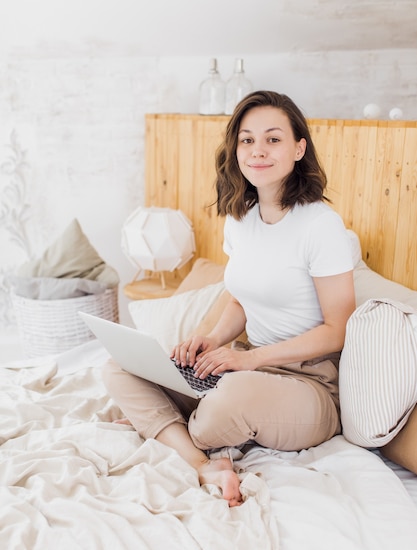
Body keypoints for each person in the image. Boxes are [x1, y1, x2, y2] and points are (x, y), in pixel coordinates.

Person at [103, 91, 356, 507]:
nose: (258, 150)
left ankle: (169, 429)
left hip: (308, 384)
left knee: (216, 415)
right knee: (119, 368)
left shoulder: (321, 226)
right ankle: (203, 463)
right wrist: (213, 340)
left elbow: (338, 330)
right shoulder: (240, 219)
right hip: (242, 366)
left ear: (299, 148)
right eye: (247, 139)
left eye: (273, 139)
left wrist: (250, 360)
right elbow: (240, 302)